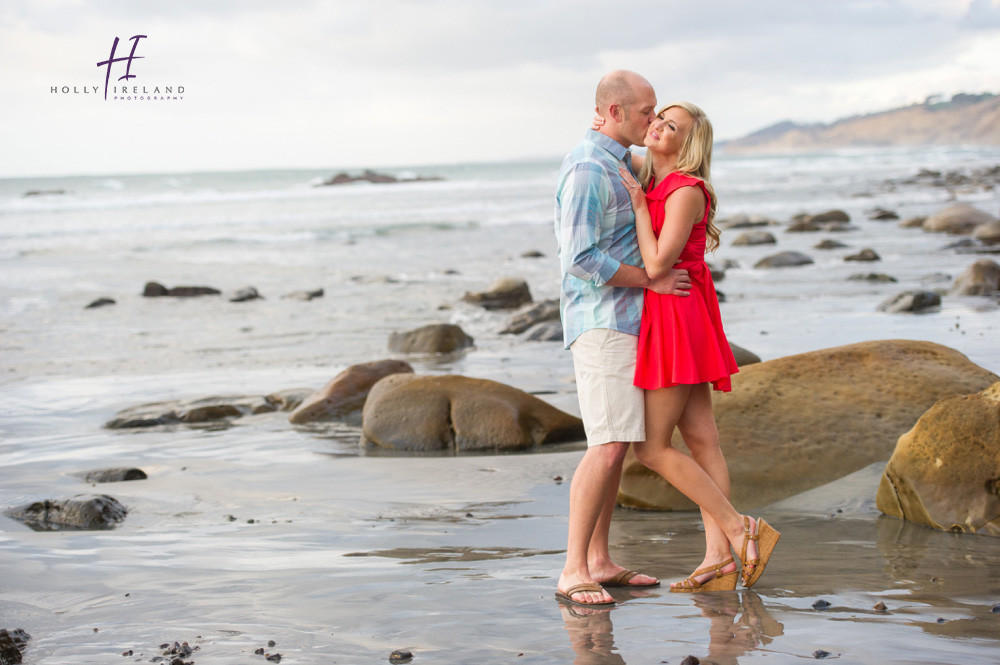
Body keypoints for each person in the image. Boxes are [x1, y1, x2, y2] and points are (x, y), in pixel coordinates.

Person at [618, 101, 780, 591]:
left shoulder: (685, 190)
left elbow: (655, 265)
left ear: (688, 143)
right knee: (704, 440)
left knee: (650, 449)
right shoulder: (651, 175)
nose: (658, 127)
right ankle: (718, 559)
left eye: (672, 126)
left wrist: (641, 209)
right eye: (658, 118)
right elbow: (617, 148)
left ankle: (738, 528)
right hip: (679, 311)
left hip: (676, 313)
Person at [554, 70, 692, 607]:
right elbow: (580, 260)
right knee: (608, 446)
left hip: (629, 322)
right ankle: (572, 569)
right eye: (644, 114)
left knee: (616, 447)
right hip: (602, 321)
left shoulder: (616, 160)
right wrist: (651, 278)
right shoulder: (590, 169)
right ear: (612, 112)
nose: (652, 122)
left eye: (656, 113)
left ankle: (600, 559)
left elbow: (666, 163)